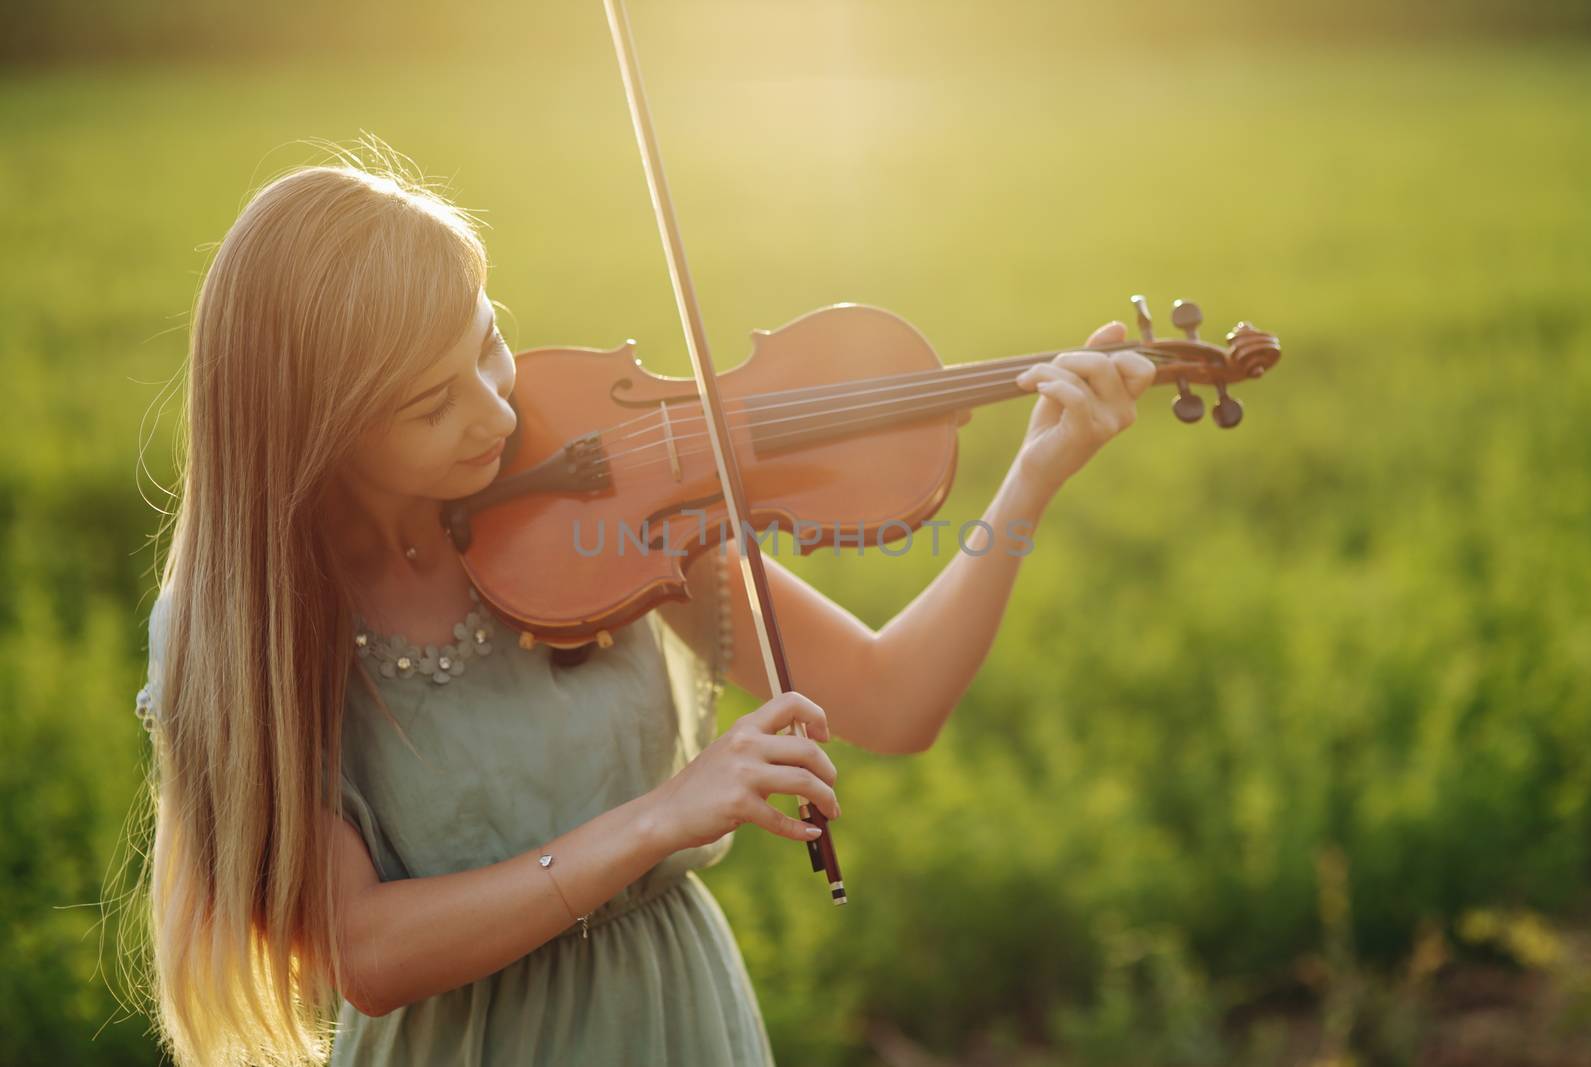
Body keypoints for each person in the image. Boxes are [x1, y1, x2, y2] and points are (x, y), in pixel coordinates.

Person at [128, 144, 1154, 1067]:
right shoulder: (242, 633)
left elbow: (893, 700)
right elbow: (367, 949)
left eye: (485, 344)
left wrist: (1031, 479)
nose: (497, 410)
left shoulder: (606, 498)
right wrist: (658, 814)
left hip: (679, 1020)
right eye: (430, 402)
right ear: (319, 431)